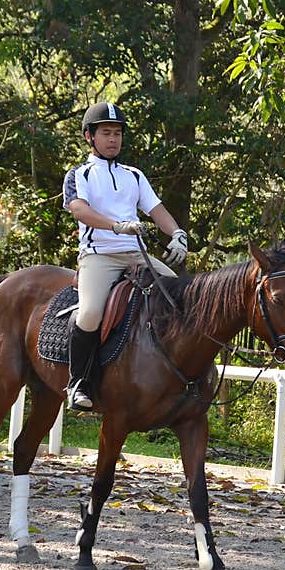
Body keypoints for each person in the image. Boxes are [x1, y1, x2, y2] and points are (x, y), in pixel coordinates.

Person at [61, 101, 189, 411]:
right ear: (90, 136)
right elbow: (79, 209)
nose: (113, 139)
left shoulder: (134, 175)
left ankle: (174, 378)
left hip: (136, 254)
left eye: (117, 133)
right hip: (99, 255)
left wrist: (177, 234)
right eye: (106, 133)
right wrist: (116, 226)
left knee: (182, 298)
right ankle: (78, 382)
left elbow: (156, 209)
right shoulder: (80, 174)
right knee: (90, 312)